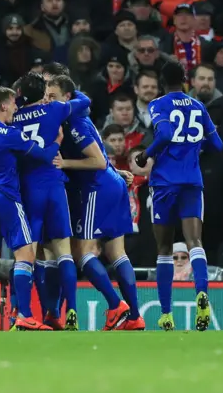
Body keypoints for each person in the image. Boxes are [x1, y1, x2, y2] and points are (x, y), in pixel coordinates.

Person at [135, 62, 223, 331]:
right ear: (186, 80)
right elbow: (217, 145)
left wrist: (146, 154)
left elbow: (165, 133)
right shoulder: (198, 106)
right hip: (192, 180)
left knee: (163, 248)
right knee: (195, 241)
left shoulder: (158, 104)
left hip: (164, 183)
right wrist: (194, 147)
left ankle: (166, 313)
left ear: (162, 82)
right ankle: (202, 292)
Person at [49, 75, 141, 331]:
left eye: (53, 96)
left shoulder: (74, 123)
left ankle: (116, 306)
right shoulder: (77, 115)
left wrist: (64, 163)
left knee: (82, 252)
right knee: (116, 253)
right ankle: (134, 317)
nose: (49, 100)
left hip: (96, 188)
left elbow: (97, 160)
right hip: (112, 184)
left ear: (67, 97)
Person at [0, 87, 62, 332]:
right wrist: (58, 141)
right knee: (26, 255)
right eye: (12, 103)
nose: (16, 108)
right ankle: (26, 315)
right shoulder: (10, 134)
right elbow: (42, 156)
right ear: (3, 106)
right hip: (5, 198)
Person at [10, 72, 91, 330]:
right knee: (63, 252)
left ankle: (23, 312)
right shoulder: (55, 109)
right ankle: (72, 311)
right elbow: (85, 101)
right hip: (54, 187)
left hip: (28, 189)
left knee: (26, 255)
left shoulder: (13, 118)